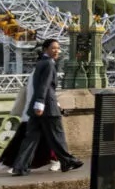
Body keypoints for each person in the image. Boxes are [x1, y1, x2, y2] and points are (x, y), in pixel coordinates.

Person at [9, 38, 82, 175]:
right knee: (57, 137)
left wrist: (37, 104)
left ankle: (20, 167)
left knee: (30, 139)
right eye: (53, 48)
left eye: (58, 48)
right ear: (45, 49)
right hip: (48, 108)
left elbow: (38, 86)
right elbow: (45, 86)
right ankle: (68, 161)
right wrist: (41, 104)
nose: (57, 51)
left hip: (38, 107)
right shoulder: (49, 64)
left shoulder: (41, 63)